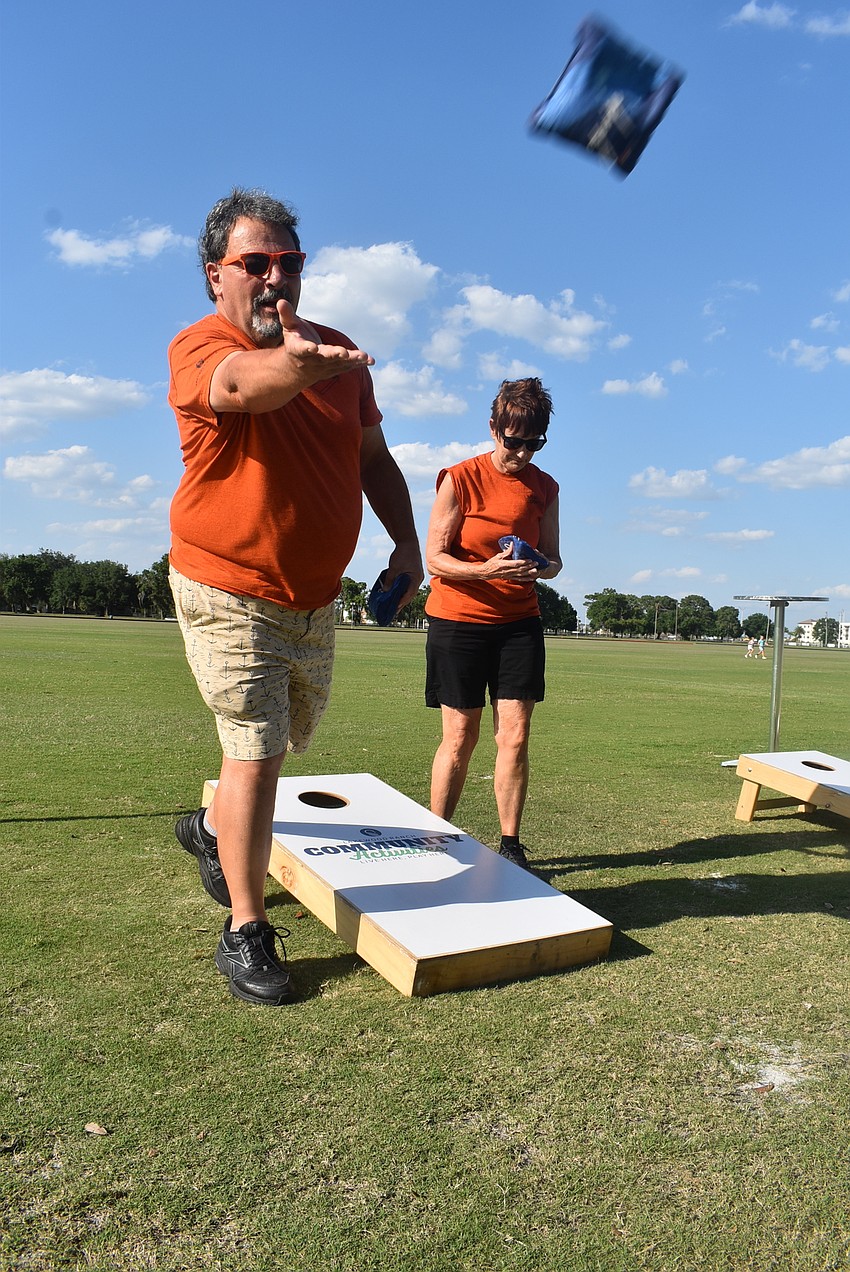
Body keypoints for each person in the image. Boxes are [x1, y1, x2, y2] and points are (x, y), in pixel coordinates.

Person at [167, 188, 422, 1007]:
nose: (276, 278)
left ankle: (212, 830)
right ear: (217, 275)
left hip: (309, 599)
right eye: (255, 264)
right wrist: (297, 364)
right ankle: (245, 928)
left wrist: (409, 543)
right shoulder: (201, 344)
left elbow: (373, 461)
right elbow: (245, 387)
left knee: (279, 739)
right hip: (224, 585)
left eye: (290, 263)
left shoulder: (337, 354)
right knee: (258, 748)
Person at [423, 378, 562, 872]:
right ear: (493, 428)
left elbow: (555, 561)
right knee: (461, 734)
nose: (522, 453)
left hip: (519, 622)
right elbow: (435, 559)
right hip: (458, 621)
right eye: (513, 440)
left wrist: (536, 567)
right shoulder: (459, 478)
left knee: (516, 736)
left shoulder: (545, 487)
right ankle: (438, 838)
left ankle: (510, 845)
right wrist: (485, 570)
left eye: (534, 443)